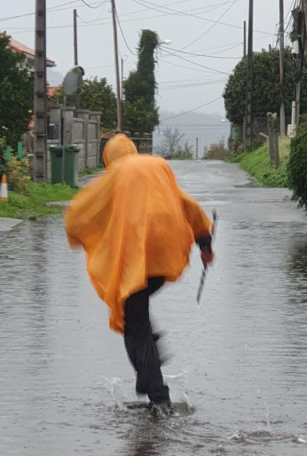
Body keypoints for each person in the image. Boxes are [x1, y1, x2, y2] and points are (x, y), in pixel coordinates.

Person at [64, 134, 215, 416]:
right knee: (136, 317)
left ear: (109, 158)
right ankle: (152, 370)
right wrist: (205, 244)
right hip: (164, 253)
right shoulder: (158, 165)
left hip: (139, 259)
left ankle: (159, 398)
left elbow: (81, 210)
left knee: (134, 322)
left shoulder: (117, 175)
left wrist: (75, 231)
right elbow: (188, 205)